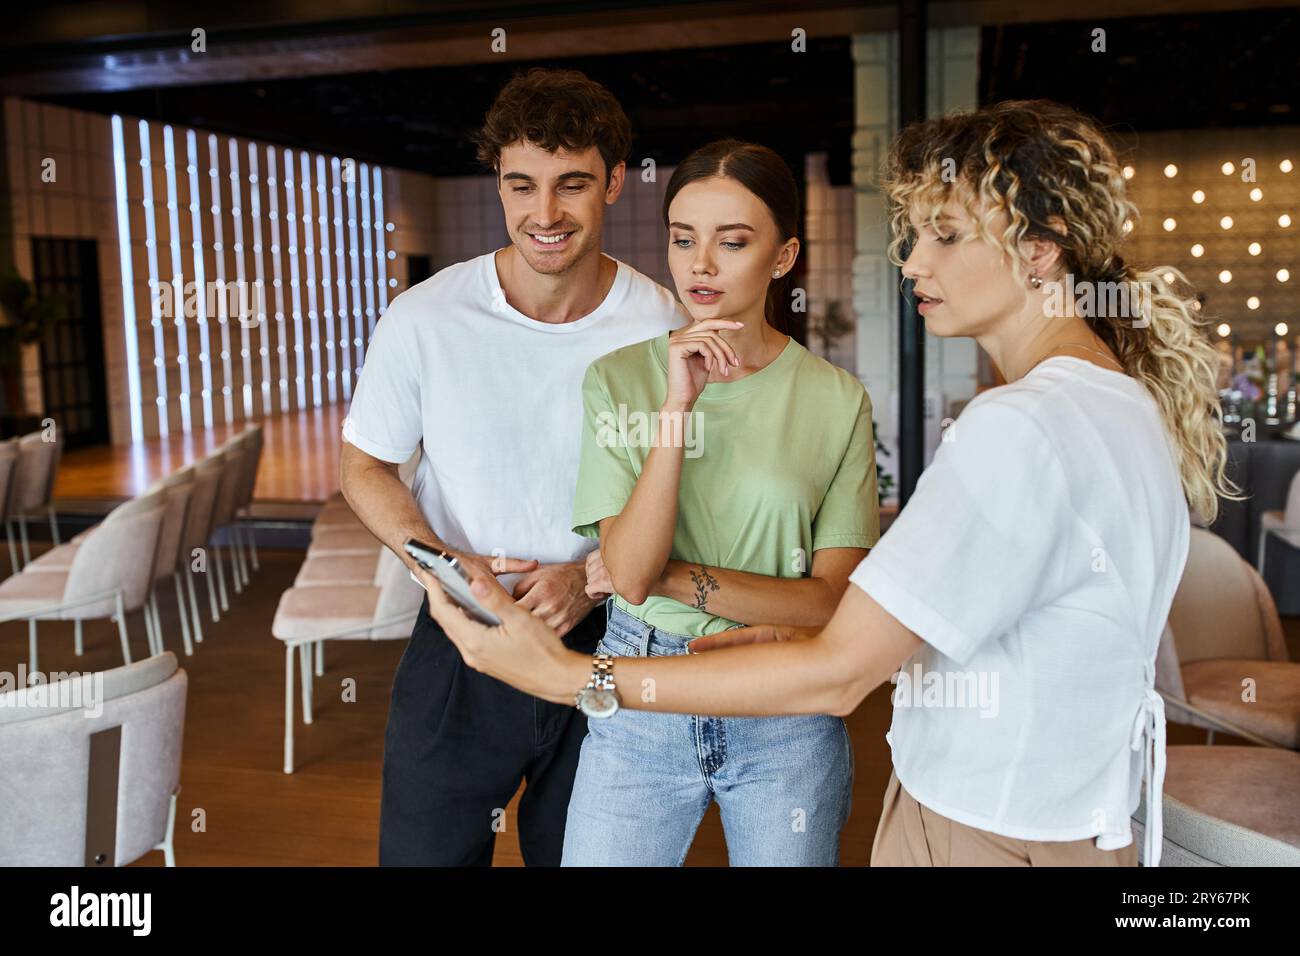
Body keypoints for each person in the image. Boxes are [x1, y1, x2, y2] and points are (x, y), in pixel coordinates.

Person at [417, 100, 1239, 867]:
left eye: (945, 234)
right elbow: (933, 627)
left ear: (1040, 246)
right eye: (915, 234)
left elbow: (842, 662)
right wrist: (794, 628)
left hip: (988, 820)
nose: (913, 260)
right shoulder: (1124, 403)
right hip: (1080, 816)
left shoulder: (1014, 425)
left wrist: (573, 676)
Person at [340, 67, 687, 866]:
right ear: (497, 181)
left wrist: (589, 576)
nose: (545, 213)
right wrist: (439, 563)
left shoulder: (662, 323)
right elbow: (365, 464)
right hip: (460, 632)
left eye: (572, 185)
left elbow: (686, 491)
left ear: (615, 183)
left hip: (611, 639)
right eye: (521, 184)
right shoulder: (424, 317)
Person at [560, 139, 879, 866]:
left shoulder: (835, 399)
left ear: (783, 256)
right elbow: (631, 577)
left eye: (732, 242)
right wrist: (677, 407)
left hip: (786, 705)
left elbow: (831, 602)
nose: (700, 264)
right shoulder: (617, 381)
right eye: (682, 238)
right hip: (641, 689)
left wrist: (670, 575)